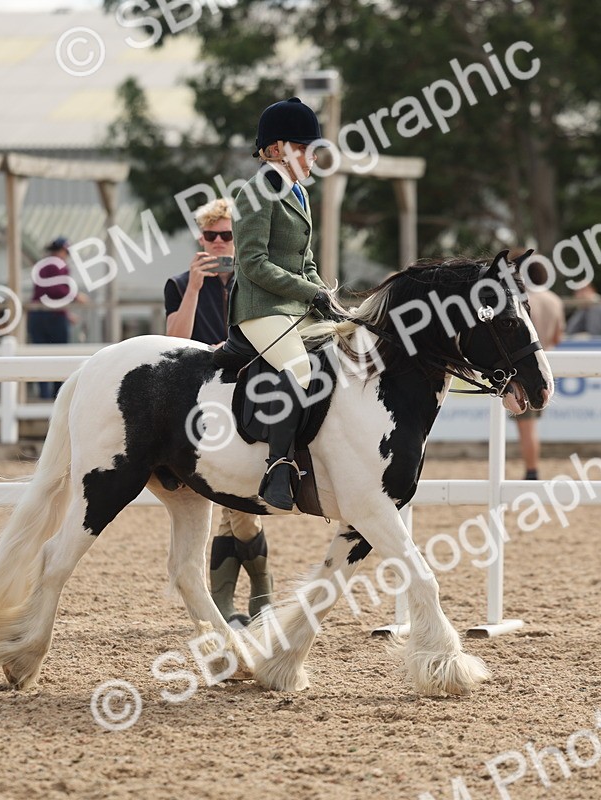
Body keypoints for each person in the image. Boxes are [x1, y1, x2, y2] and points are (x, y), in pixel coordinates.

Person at [164, 198, 272, 627]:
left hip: (245, 393)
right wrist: (192, 286)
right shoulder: (179, 283)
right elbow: (174, 338)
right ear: (200, 239)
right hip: (196, 398)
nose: (219, 244)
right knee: (234, 507)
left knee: (235, 508)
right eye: (211, 236)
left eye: (227, 236)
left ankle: (237, 602)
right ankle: (258, 595)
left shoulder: (253, 280)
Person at [229, 96, 340, 511]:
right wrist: (310, 293)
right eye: (304, 147)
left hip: (294, 307)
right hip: (260, 308)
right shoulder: (255, 192)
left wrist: (329, 299)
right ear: (276, 149)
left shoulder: (297, 193)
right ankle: (278, 465)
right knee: (299, 367)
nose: (313, 157)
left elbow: (305, 261)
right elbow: (253, 264)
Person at [515, 267, 565, 480]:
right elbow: (557, 337)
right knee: (531, 424)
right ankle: (532, 469)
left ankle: (532, 471)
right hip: (547, 365)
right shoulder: (554, 300)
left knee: (527, 425)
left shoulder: (523, 300)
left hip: (527, 365)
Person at [28, 236, 76, 399]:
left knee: (41, 356)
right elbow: (56, 291)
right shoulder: (59, 266)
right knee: (60, 356)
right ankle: (57, 395)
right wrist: (75, 295)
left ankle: (44, 394)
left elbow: (46, 292)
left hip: (39, 315)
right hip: (53, 317)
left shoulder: (42, 266)